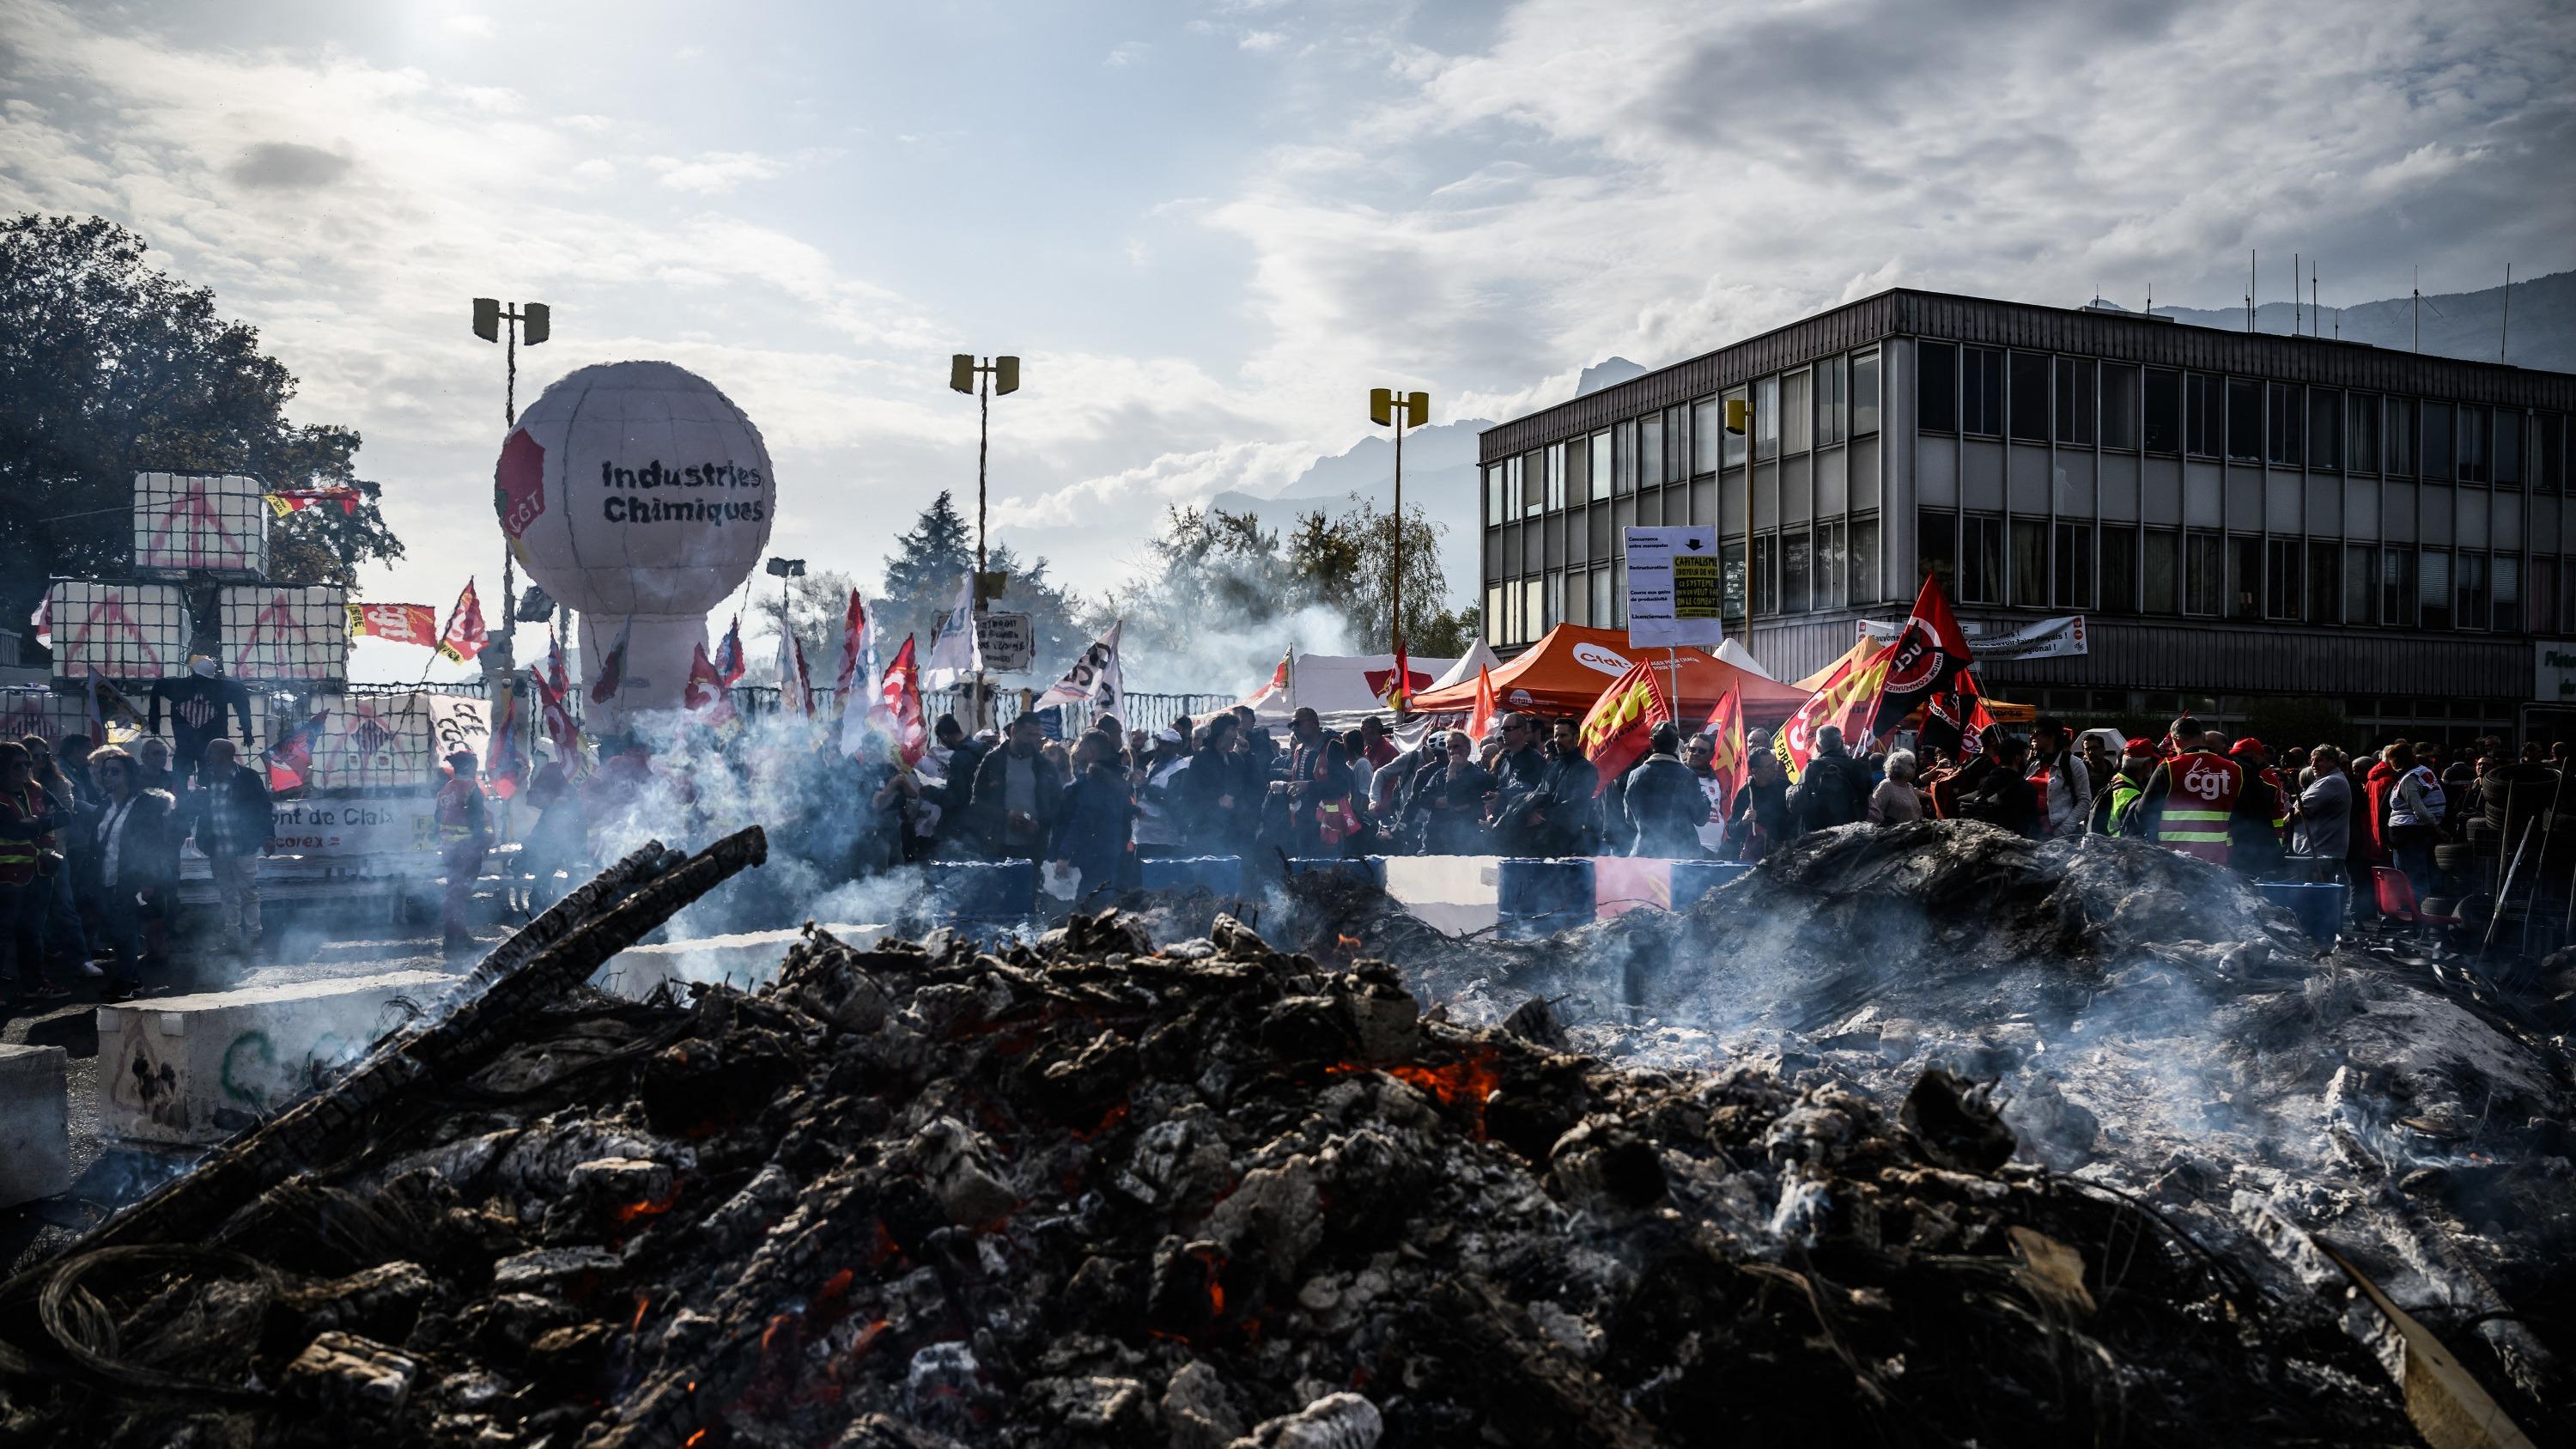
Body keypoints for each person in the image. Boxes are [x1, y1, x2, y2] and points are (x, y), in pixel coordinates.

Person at [84, 746, 175, 1002]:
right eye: (106, 772)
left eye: (115, 772)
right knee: (117, 930)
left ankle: (125, 981)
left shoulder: (144, 805)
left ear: (128, 775)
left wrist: (148, 881)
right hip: (107, 877)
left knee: (125, 930)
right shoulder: (104, 806)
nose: (109, 776)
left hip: (132, 878)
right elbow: (97, 845)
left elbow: (153, 845)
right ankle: (131, 978)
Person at [187, 738, 272, 959]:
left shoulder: (248, 778)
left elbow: (263, 808)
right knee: (227, 894)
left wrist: (268, 836)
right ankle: (232, 937)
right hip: (218, 849)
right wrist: (197, 799)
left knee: (248, 892)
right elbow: (201, 812)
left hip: (243, 846)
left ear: (225, 757)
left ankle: (255, 935)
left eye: (211, 755)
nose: (207, 759)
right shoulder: (206, 778)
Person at [0, 741, 69, 1001]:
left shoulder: (37, 790)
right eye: (18, 765)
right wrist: (39, 823)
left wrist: (36, 823)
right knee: (4, 934)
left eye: (28, 763)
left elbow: (66, 816)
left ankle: (35, 984)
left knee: (32, 931)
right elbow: (11, 829)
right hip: (7, 875)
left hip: (41, 871)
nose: (25, 769)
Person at [22, 736, 94, 980]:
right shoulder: (14, 785)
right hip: (18, 856)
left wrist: (36, 824)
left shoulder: (57, 783)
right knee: (27, 912)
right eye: (34, 757)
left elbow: (65, 817)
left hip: (53, 853)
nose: (40, 761)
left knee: (64, 906)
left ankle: (82, 959)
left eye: (44, 756)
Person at [1050, 730, 1133, 907]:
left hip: (1086, 861)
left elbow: (1084, 819)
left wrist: (1064, 855)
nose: (1075, 750)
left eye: (1079, 745)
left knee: (1084, 912)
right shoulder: (1117, 777)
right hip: (1107, 855)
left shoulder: (1094, 780)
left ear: (1091, 751)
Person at [147, 656, 254, 786]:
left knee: (185, 776)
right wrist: (247, 730)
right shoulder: (222, 688)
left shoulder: (178, 686)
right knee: (199, 777)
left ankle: (187, 799)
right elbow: (241, 695)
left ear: (193, 670)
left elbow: (158, 686)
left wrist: (154, 720)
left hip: (192, 745)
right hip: (202, 746)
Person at [975, 712, 1066, 861]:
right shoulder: (993, 761)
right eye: (1028, 735)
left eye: (1037, 736)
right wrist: (1007, 815)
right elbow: (977, 801)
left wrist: (1040, 824)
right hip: (998, 846)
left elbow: (1057, 805)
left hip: (1034, 849)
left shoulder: (1045, 766)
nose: (1033, 741)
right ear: (1014, 732)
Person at [434, 748, 491, 960]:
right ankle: (454, 940)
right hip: (467, 849)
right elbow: (477, 822)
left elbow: (437, 819)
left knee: (455, 893)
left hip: (449, 850)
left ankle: (457, 936)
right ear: (469, 767)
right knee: (460, 895)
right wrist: (482, 845)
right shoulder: (470, 788)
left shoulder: (445, 790)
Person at [1622, 723, 1708, 858]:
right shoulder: (1687, 776)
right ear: (1676, 745)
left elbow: (1630, 819)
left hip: (1646, 853)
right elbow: (1701, 818)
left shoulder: (1635, 775)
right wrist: (1706, 802)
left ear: (1651, 742)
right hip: (1683, 854)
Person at [519, 742, 585, 912]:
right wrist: (554, 800)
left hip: (577, 831)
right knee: (543, 874)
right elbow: (532, 797)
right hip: (551, 834)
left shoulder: (586, 768)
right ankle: (538, 913)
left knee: (578, 874)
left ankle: (569, 911)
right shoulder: (552, 769)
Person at [1416, 730, 1495, 855]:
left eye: (1456, 746)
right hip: (1433, 843)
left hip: (1462, 845)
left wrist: (1452, 771)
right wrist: (1440, 802)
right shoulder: (1440, 774)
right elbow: (1422, 798)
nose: (1452, 751)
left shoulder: (1479, 776)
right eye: (1449, 748)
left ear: (1467, 749)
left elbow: (1456, 801)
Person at [2384, 741, 2446, 898]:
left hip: (2408, 834)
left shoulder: (2408, 780)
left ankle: (2415, 913)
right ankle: (2420, 911)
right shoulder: (2423, 771)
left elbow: (2420, 811)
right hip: (2416, 833)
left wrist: (2437, 830)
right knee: (2420, 874)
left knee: (2411, 877)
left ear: (2396, 761)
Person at [1954, 734, 2043, 837]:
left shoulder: (1986, 781)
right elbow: (2033, 826)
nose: (2027, 761)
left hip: (1984, 839)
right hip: (2012, 845)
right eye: (2025, 756)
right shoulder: (2026, 788)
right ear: (2018, 758)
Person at [1789, 725, 1872, 833]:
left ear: (1818, 747)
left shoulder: (1813, 768)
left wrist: (1790, 789)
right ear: (1842, 744)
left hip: (1819, 835)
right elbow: (1868, 795)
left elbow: (1795, 803)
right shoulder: (1859, 767)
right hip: (1851, 833)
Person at [2227, 738, 2288, 879]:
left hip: (2244, 845)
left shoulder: (2245, 773)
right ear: (2255, 755)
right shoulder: (2259, 775)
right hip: (2256, 845)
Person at [2291, 744, 2352, 885]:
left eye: (2319, 760)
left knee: (2314, 897)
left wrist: (2282, 824)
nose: (2313, 765)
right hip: (2317, 852)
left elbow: (2299, 813)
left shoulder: (2331, 782)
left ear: (2333, 761)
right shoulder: (2325, 780)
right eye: (2312, 760)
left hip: (2319, 853)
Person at [2026, 717, 2093, 838]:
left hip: (2057, 836)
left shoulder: (2074, 764)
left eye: (2037, 733)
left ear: (2051, 736)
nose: (2032, 738)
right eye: (2032, 734)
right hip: (2031, 831)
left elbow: (2085, 802)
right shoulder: (2034, 764)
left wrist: (2062, 831)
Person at [1132, 728, 1194, 858]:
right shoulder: (1155, 764)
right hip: (1143, 832)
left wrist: (1146, 786)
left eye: (1164, 744)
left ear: (1176, 747)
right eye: (1159, 743)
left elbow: (1171, 799)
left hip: (1163, 834)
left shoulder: (1182, 768)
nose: (1159, 747)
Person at [933, 715, 989, 855]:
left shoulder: (959, 758)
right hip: (983, 825)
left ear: (944, 736)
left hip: (961, 828)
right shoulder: (985, 750)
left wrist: (931, 792)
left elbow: (954, 797)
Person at [1728, 746, 1794, 859]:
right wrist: (1743, 821)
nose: (1775, 769)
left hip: (1783, 855)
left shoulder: (1786, 786)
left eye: (1775, 763)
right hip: (1756, 859)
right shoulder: (1745, 793)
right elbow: (1731, 830)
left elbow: (1796, 820)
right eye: (1770, 766)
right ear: (1755, 771)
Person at [2097, 738, 2158, 835]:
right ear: (2146, 764)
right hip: (2116, 848)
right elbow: (2132, 834)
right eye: (2153, 761)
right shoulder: (2129, 795)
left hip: (2105, 845)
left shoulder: (2117, 779)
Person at [1683, 733, 1729, 856]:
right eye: (1692, 749)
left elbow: (1718, 810)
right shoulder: (1679, 777)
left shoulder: (1716, 780)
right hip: (1688, 849)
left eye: (1702, 751)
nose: (1696, 753)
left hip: (1714, 850)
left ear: (1711, 756)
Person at [1869, 749, 1923, 825]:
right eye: (1912, 764)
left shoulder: (1909, 786)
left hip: (1914, 834)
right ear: (1900, 766)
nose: (1915, 767)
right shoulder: (1887, 786)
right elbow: (1874, 814)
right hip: (1895, 835)